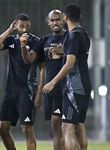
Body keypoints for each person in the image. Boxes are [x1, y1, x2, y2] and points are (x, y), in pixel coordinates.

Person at [0, 13, 45, 150]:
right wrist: (9, 30)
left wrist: (39, 93)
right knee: (1, 128)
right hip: (10, 92)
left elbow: (42, 68)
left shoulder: (36, 42)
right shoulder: (11, 40)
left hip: (27, 92)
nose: (25, 29)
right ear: (16, 25)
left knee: (27, 130)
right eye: (21, 26)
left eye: (27, 26)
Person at [43, 3, 91, 150]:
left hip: (74, 87)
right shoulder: (84, 33)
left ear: (65, 18)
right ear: (80, 17)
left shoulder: (72, 35)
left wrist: (52, 82)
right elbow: (79, 56)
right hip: (84, 84)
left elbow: (70, 64)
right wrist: (64, 51)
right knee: (79, 126)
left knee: (67, 128)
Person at [20, 10, 67, 150]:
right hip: (49, 89)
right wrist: (23, 46)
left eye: (57, 19)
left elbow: (79, 57)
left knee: (63, 125)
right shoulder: (45, 40)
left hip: (65, 87)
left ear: (63, 20)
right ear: (48, 22)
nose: (55, 23)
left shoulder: (69, 37)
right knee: (55, 126)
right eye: (52, 20)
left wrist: (65, 51)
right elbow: (29, 59)